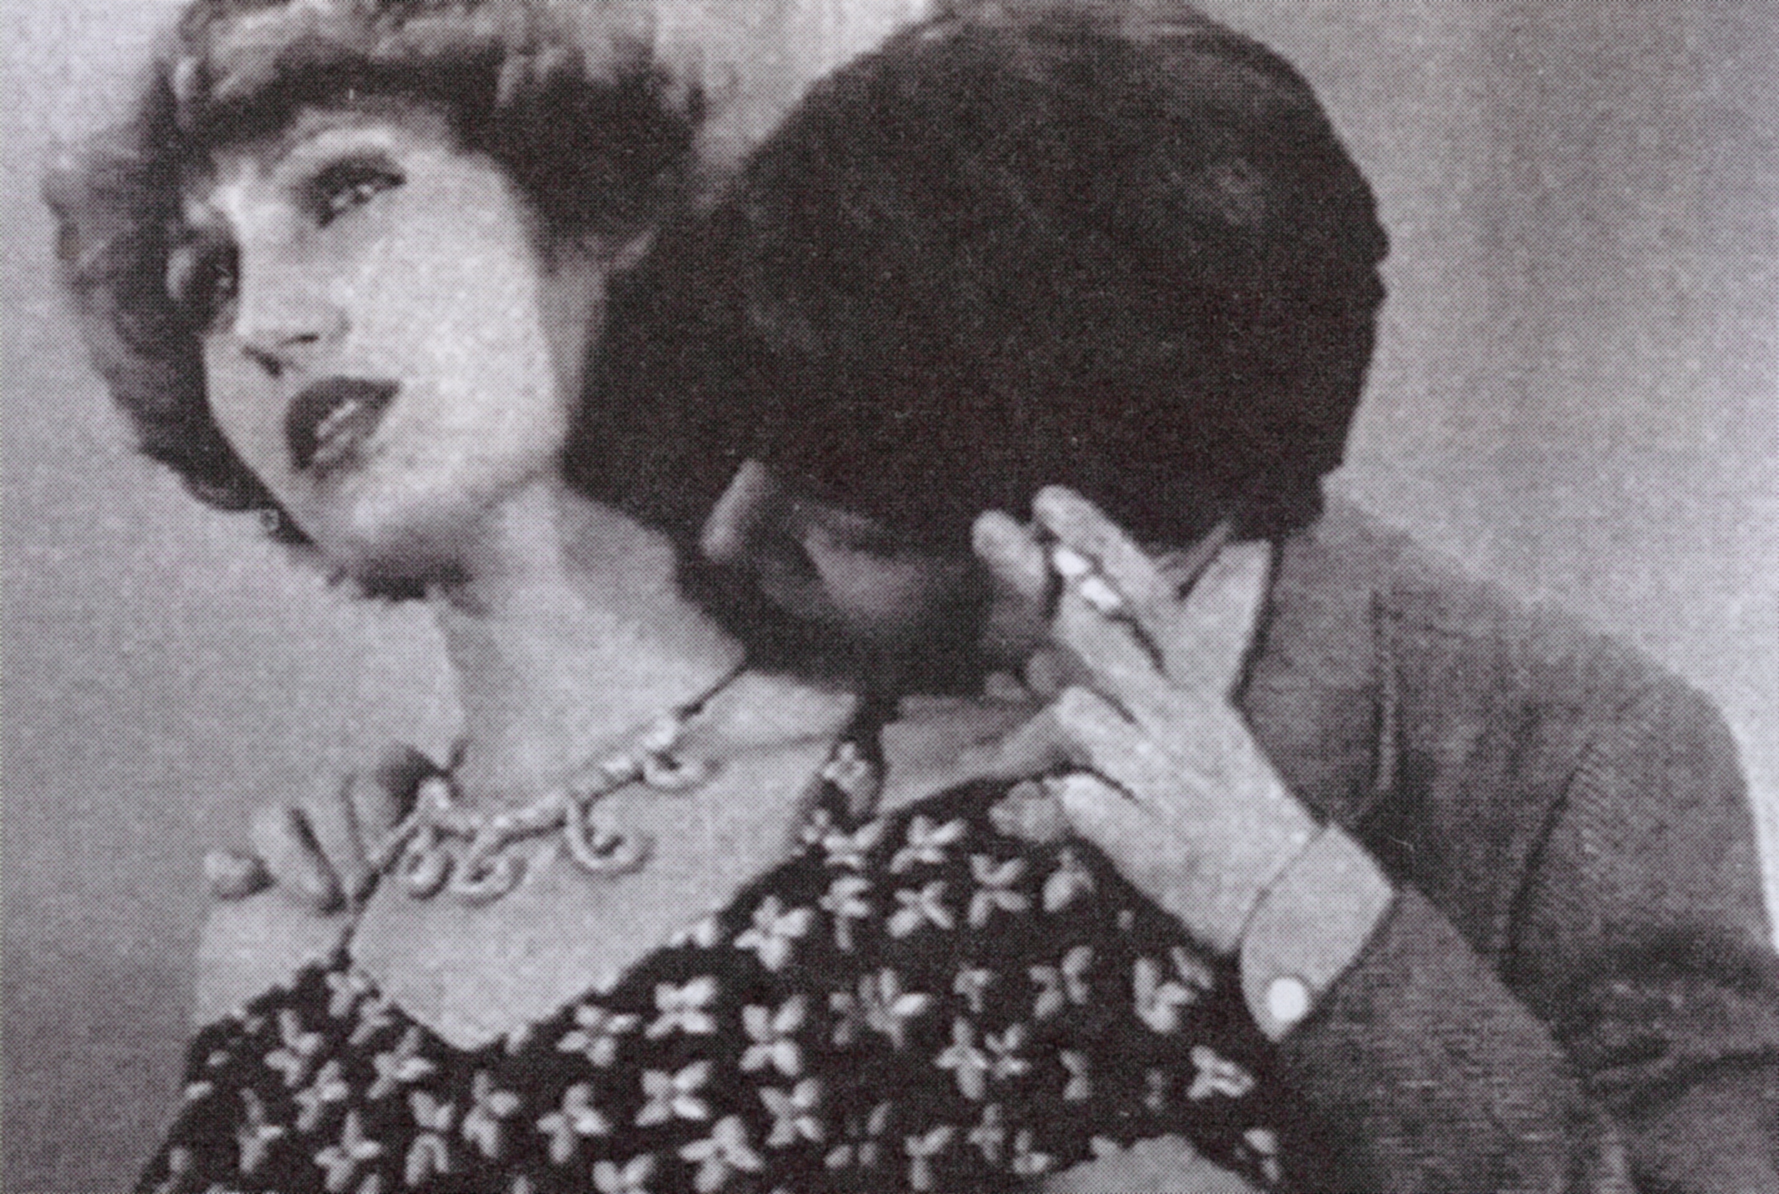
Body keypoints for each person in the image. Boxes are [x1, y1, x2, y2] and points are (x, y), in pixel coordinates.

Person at [50, 3, 1779, 1193]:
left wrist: (1288, 894)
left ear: (1063, 548)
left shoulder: (1566, 755)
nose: (262, 322)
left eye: (347, 189)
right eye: (203, 282)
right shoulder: (308, 910)